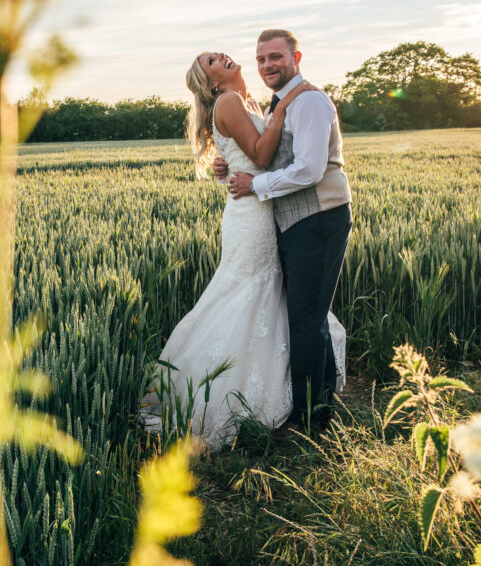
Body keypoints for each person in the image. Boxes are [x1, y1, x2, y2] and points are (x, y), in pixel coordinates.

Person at [139, 48, 346, 451]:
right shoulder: (231, 100)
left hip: (261, 208)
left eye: (219, 53)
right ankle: (241, 396)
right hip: (252, 217)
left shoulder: (246, 101)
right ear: (211, 82)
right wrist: (283, 111)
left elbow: (245, 161)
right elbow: (262, 155)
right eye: (212, 62)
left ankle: (296, 396)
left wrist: (230, 169)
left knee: (271, 294)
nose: (223, 57)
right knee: (249, 292)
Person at [222, 28, 353, 435]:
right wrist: (232, 168)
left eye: (275, 57)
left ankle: (310, 419)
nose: (267, 66)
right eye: (261, 59)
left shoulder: (310, 101)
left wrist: (255, 185)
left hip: (319, 219)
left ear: (297, 58)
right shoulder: (281, 103)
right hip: (297, 221)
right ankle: (323, 405)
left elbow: (310, 170)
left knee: (305, 320)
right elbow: (272, 153)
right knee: (306, 316)